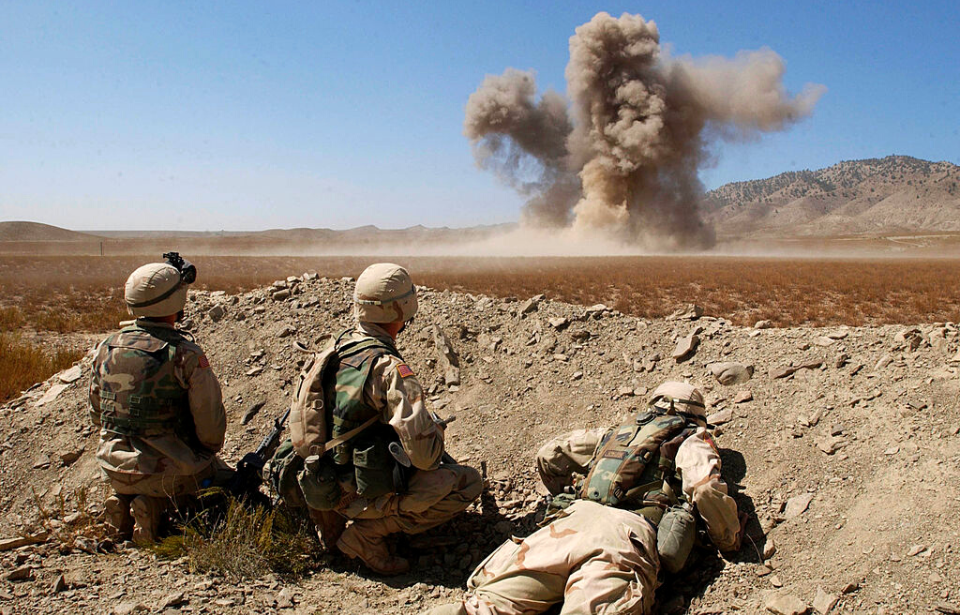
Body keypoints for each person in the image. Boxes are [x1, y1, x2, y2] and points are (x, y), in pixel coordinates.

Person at [427, 381, 746, 615]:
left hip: (566, 526)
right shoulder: (691, 435)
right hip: (624, 537)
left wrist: (571, 492)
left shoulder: (617, 432)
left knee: (479, 607)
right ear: (697, 416)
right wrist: (729, 539)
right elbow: (704, 489)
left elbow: (550, 454)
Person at [276, 263, 483, 575]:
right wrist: (434, 431)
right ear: (401, 309)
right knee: (466, 482)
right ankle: (367, 535)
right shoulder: (389, 369)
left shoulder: (332, 351)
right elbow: (425, 458)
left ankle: (330, 527)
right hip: (355, 492)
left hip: (321, 482)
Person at [88, 255, 230, 543]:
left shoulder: (106, 347)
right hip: (169, 475)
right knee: (226, 481)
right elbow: (211, 430)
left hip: (113, 466)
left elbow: (97, 413)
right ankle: (154, 508)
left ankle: (124, 503)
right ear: (175, 303)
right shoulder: (185, 354)